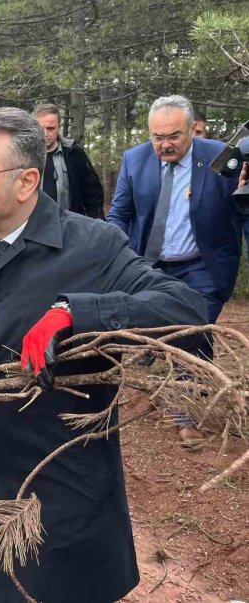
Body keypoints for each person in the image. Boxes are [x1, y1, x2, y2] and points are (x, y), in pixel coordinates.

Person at [0, 107, 208, 602]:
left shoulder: (93, 246)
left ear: (26, 181)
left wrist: (78, 311)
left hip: (60, 496)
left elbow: (186, 309)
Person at [106, 94, 245, 447]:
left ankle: (186, 415)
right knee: (174, 333)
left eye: (174, 136)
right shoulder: (135, 160)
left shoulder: (220, 159)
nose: (165, 145)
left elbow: (243, 207)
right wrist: (114, 252)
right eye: (158, 137)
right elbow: (120, 214)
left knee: (191, 331)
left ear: (192, 130)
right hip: (150, 266)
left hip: (205, 266)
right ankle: (186, 389)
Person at [32, 103, 105, 218]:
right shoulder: (25, 155)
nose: (45, 134)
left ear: (58, 128)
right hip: (33, 227)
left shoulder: (73, 153)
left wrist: (96, 223)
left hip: (68, 227)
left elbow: (92, 193)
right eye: (41, 129)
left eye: (51, 128)